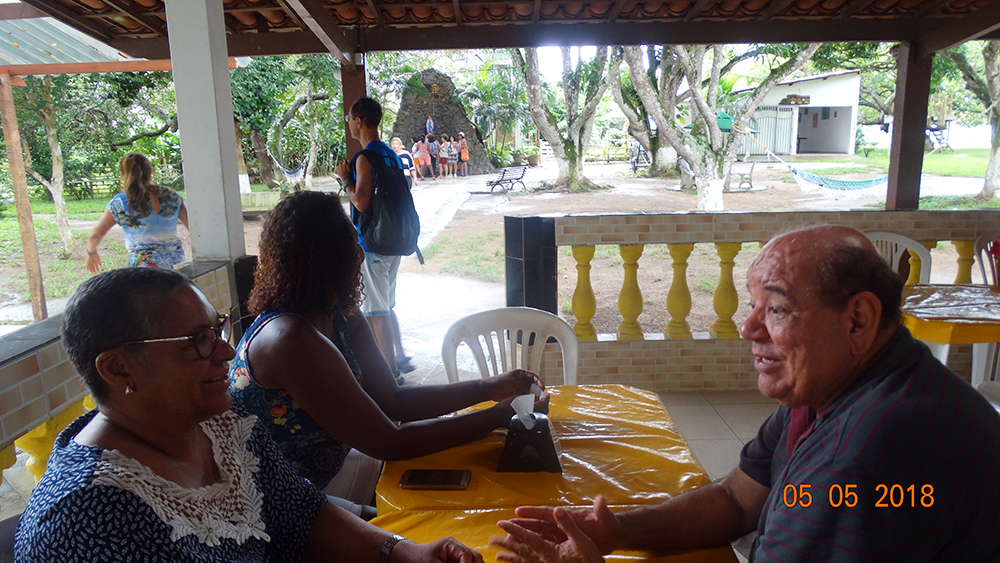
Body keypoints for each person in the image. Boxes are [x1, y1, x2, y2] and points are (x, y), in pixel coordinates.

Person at [492, 225, 1000, 563]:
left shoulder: (866, 455)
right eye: (753, 306)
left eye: (775, 309)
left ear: (858, 320)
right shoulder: (834, 390)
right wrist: (617, 532)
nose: (747, 328)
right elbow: (735, 499)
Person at [15, 267, 483, 563]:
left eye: (217, 329)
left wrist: (405, 553)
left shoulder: (223, 426)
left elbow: (299, 512)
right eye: (197, 341)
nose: (226, 351)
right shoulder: (88, 514)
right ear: (119, 369)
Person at [229, 190, 549, 518]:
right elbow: (389, 442)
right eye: (351, 243)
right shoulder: (288, 340)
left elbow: (394, 400)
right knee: (422, 526)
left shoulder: (340, 315)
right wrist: (497, 416)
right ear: (330, 258)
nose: (360, 253)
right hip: (272, 506)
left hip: (324, 477)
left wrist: (492, 386)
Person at [334, 98, 414, 384]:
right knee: (386, 305)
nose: (349, 125)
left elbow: (361, 202)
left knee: (376, 312)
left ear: (358, 121)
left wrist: (346, 180)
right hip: (394, 240)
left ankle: (391, 374)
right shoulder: (390, 154)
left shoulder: (364, 157)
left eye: (349, 119)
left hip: (373, 244)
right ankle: (400, 357)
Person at [86, 152, 189, 273]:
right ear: (150, 173)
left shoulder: (120, 202)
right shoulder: (171, 195)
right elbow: (193, 227)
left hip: (143, 267)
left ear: (123, 175)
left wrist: (91, 253)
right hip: (176, 263)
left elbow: (95, 235)